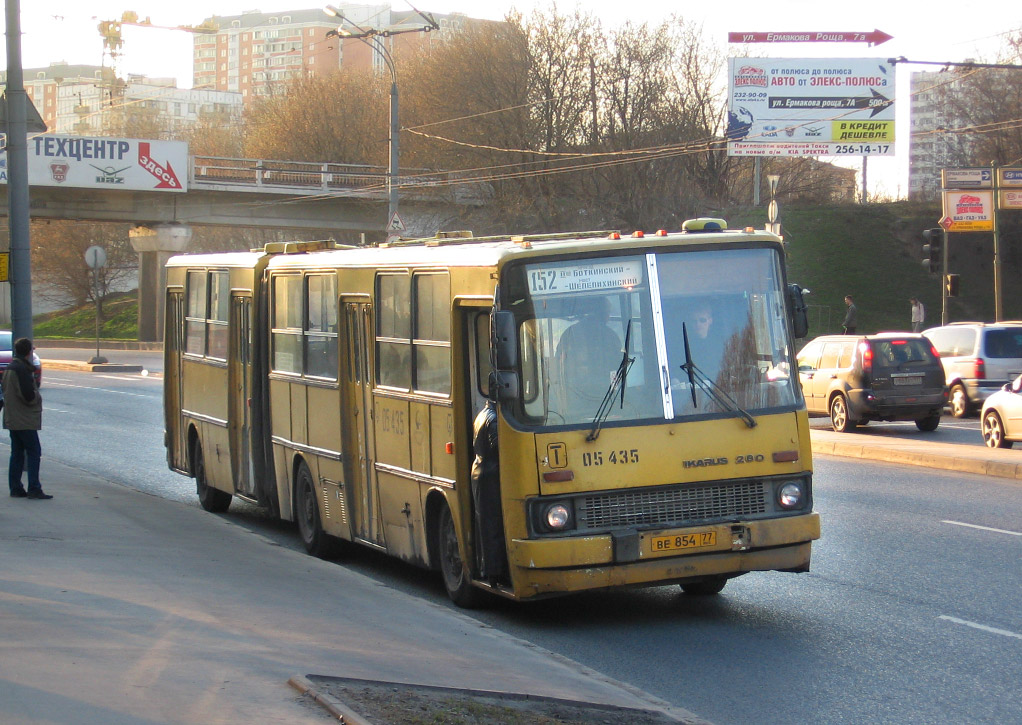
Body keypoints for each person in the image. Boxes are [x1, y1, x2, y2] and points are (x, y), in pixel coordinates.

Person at [554, 297, 622, 409]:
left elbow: (559, 364)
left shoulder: (570, 333)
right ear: (601, 313)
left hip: (574, 391)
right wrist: (614, 390)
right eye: (607, 313)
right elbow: (617, 366)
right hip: (604, 392)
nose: (608, 317)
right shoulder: (611, 336)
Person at [4, 338, 50, 499]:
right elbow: (28, 396)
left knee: (16, 452)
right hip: (24, 419)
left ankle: (16, 487)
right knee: (33, 452)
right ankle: (34, 488)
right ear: (29, 351)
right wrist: (36, 399)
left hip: (13, 418)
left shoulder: (11, 367)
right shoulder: (21, 370)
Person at [471, 398, 506, 584]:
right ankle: (495, 572)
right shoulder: (493, 419)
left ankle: (490, 570)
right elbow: (500, 448)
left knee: (486, 523)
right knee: (493, 524)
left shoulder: (483, 414)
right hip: (491, 475)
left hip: (481, 472)